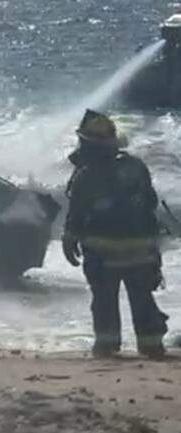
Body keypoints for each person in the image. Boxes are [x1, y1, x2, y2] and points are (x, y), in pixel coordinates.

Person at [62, 109, 168, 359]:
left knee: (104, 302)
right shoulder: (135, 166)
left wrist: (70, 239)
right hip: (140, 252)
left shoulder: (86, 175)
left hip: (103, 255)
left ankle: (107, 347)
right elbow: (149, 204)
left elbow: (76, 213)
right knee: (142, 299)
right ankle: (151, 346)